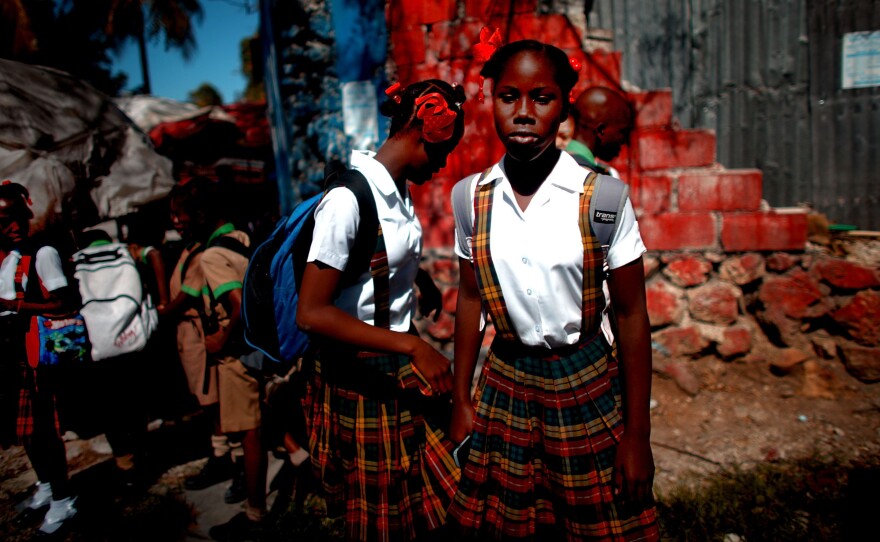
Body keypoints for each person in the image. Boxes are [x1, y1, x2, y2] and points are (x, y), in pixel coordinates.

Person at [447, 40, 659, 540]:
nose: (523, 113)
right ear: (489, 98)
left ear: (565, 104)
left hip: (584, 382)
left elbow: (631, 316)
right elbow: (470, 302)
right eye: (508, 97)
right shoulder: (470, 201)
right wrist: (460, 398)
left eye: (541, 98)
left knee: (599, 523)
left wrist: (637, 435)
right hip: (505, 384)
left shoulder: (603, 198)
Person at [296, 79, 466, 542]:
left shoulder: (396, 189)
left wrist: (415, 278)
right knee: (382, 520)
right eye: (444, 148)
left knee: (429, 497)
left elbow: (377, 254)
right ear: (418, 128)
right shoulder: (347, 201)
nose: (445, 161)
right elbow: (311, 312)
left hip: (394, 371)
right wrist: (414, 345)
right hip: (363, 379)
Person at [171, 177, 268, 541]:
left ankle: (255, 515)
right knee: (259, 424)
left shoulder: (211, 255)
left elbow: (237, 305)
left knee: (250, 433)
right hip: (259, 346)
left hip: (235, 352)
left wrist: (218, 340)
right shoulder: (240, 238)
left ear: (199, 215)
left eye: (180, 215)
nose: (177, 223)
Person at [0, 181, 79, 536]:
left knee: (44, 430)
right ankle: (46, 485)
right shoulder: (5, 257)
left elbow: (62, 303)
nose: (12, 227)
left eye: (16, 217)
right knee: (26, 433)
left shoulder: (43, 253)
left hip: (34, 354)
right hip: (10, 353)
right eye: (3, 221)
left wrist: (14, 306)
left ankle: (64, 499)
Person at [566, 86, 635, 176]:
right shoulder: (588, 179)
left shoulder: (551, 165)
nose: (624, 141)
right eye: (623, 131)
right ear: (601, 130)